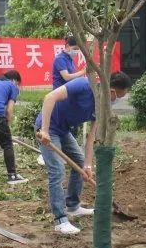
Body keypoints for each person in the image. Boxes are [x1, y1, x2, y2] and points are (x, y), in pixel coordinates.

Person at [36, 72, 132, 235]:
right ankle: (60, 220)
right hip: (49, 129)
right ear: (111, 91)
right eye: (118, 97)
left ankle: (73, 206)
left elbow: (91, 137)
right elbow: (49, 97)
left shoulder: (101, 106)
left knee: (80, 163)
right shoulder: (83, 85)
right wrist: (44, 130)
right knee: (57, 170)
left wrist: (88, 165)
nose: (115, 101)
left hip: (63, 131)